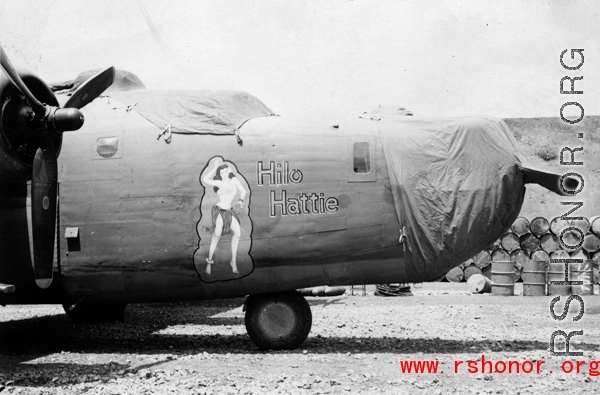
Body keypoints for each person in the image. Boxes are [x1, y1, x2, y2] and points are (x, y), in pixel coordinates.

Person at [201, 159, 246, 275]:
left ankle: (233, 261)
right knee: (217, 234)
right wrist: (215, 169)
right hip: (220, 211)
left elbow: (243, 191)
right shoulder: (219, 183)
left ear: (229, 171)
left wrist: (241, 200)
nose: (224, 174)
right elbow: (205, 179)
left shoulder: (234, 180)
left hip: (229, 211)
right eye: (222, 173)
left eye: (226, 172)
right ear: (220, 175)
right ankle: (209, 262)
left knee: (238, 233)